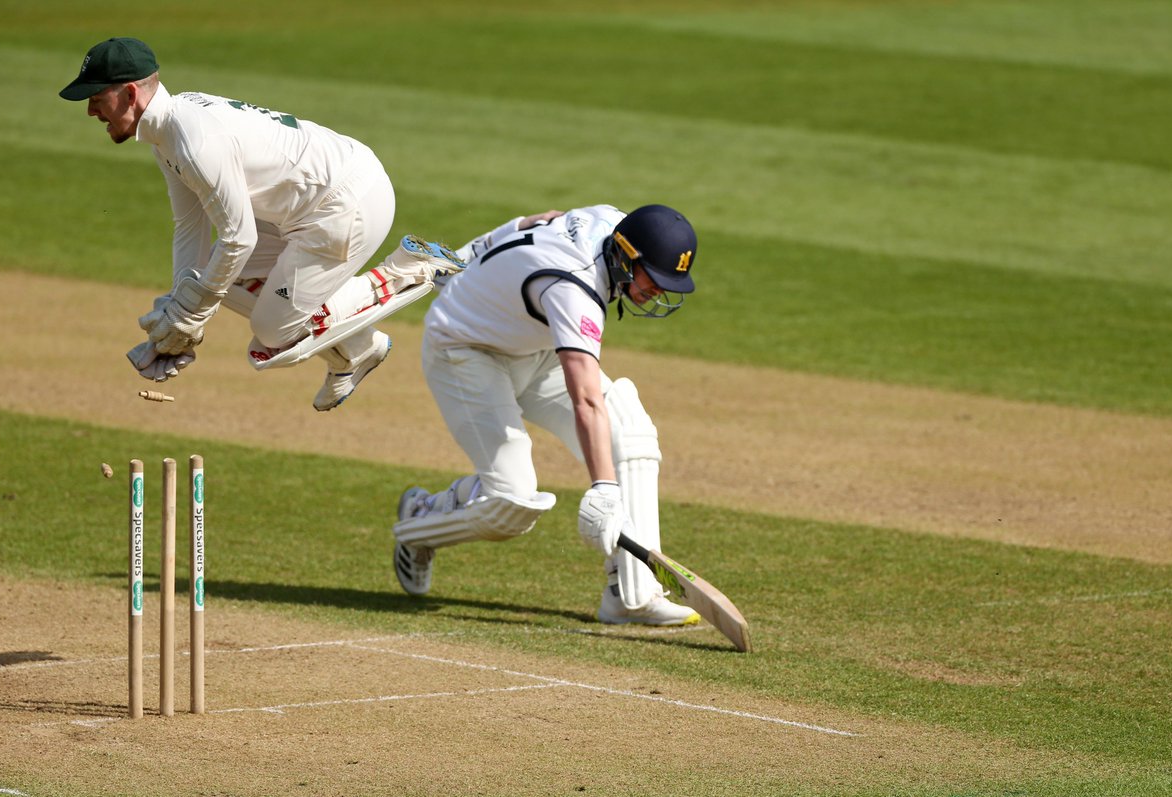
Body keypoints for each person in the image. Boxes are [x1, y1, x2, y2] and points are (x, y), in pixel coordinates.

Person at [59, 37, 464, 410]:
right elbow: (190, 225)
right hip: (310, 204)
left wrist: (191, 317)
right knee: (215, 281)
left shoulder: (193, 140)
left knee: (271, 337)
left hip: (347, 203)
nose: (92, 110)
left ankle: (409, 269)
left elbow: (237, 238)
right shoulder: (169, 131)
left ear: (130, 92)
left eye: (96, 97)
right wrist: (178, 308)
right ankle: (356, 350)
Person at [392, 203, 702, 626]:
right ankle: (419, 520)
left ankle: (631, 596)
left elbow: (540, 219)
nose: (659, 292)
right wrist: (605, 488)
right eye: (656, 278)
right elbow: (586, 399)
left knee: (631, 435)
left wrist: (472, 251)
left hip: (532, 344)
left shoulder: (611, 220)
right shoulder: (573, 289)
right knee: (511, 503)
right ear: (627, 257)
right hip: (463, 350)